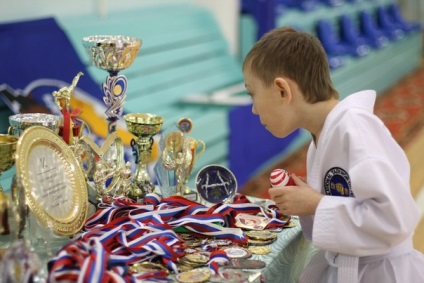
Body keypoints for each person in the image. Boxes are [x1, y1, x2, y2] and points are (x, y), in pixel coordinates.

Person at [242, 26, 424, 283]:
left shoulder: (356, 129)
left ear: (283, 90)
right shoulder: (322, 138)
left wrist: (316, 203)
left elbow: (396, 219)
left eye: (253, 94)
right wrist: (309, 201)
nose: (254, 109)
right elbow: (345, 214)